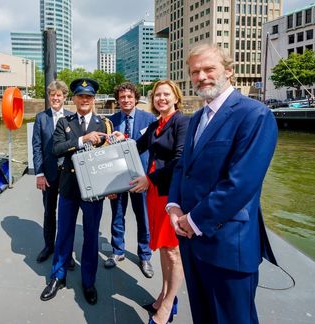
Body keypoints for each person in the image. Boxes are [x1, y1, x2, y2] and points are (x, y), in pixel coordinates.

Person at [167, 44, 278, 324]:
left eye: (208, 69)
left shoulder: (254, 115)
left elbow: (240, 184)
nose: (201, 76)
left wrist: (192, 221)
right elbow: (183, 167)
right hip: (192, 243)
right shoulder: (196, 119)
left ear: (229, 71)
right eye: (195, 72)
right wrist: (174, 205)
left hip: (228, 245)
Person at [40, 78, 111, 305]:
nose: (84, 100)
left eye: (88, 97)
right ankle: (57, 276)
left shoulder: (103, 124)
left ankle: (88, 281)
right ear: (74, 99)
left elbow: (109, 156)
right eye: (80, 96)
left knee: (91, 237)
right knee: (64, 234)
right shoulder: (64, 122)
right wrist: (82, 140)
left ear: (93, 100)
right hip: (69, 186)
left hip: (94, 190)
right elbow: (56, 148)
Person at [125, 80, 189, 324]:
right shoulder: (154, 126)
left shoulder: (182, 122)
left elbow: (179, 160)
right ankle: (163, 295)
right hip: (154, 194)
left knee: (173, 251)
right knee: (163, 247)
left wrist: (149, 179)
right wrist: (116, 140)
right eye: (157, 95)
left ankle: (168, 305)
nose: (161, 98)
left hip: (170, 194)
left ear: (175, 97)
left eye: (166, 94)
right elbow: (133, 146)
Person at [105, 82, 156, 278]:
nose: (126, 100)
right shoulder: (110, 122)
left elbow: (153, 151)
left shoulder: (149, 119)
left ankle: (145, 255)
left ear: (136, 98)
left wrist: (150, 177)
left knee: (143, 217)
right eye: (122, 97)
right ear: (118, 100)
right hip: (118, 178)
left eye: (129, 97)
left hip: (140, 177)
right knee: (117, 216)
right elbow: (105, 154)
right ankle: (118, 251)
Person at [31, 80, 75, 267]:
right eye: (52, 95)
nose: (55, 98)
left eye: (59, 95)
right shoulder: (41, 118)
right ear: (49, 97)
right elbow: (37, 147)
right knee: (49, 211)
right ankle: (49, 246)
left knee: (68, 214)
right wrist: (39, 174)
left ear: (65, 97)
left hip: (68, 174)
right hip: (48, 174)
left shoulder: (72, 118)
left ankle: (66, 251)